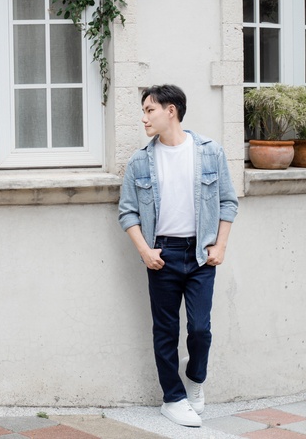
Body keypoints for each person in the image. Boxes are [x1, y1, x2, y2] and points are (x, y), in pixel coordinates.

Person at [118, 85, 238, 427]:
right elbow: (127, 212)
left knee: (200, 329)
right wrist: (145, 251)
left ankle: (195, 380)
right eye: (143, 111)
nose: (144, 118)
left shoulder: (209, 152)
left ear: (170, 111)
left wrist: (220, 246)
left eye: (149, 110)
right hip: (162, 254)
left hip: (200, 254)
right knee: (165, 331)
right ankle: (172, 398)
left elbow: (228, 202)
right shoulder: (140, 161)